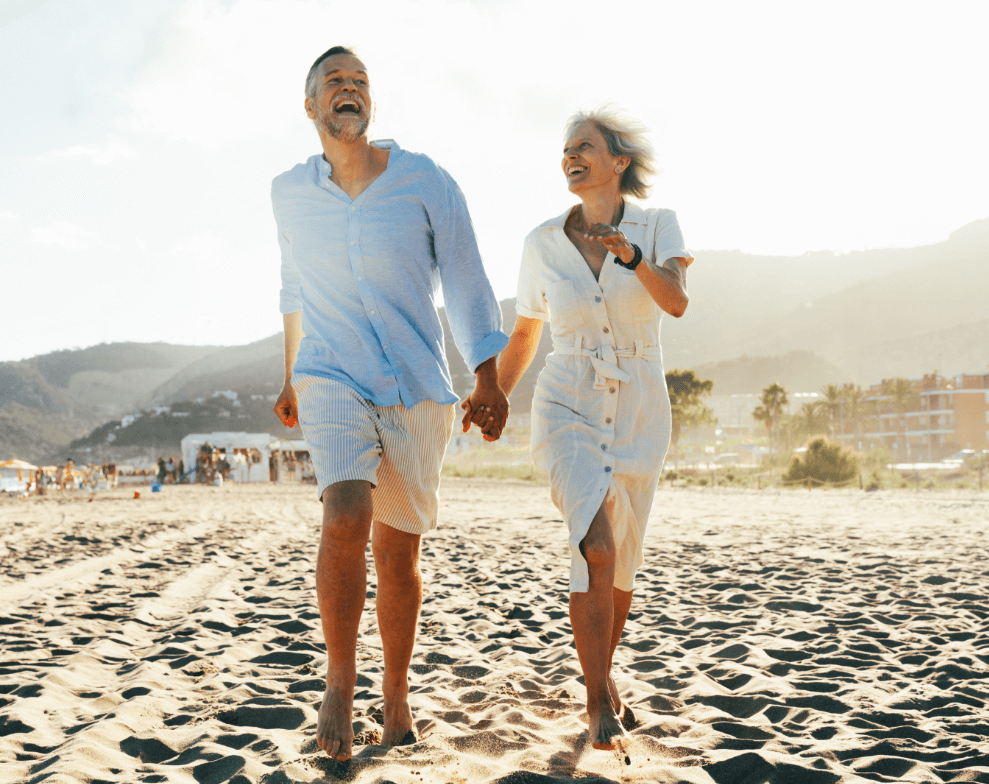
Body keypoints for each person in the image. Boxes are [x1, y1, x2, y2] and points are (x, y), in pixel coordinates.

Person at [270, 46, 509, 762]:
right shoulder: (287, 191)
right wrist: (290, 373)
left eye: (360, 81)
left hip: (415, 387)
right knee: (345, 515)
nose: (349, 89)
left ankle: (396, 693)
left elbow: (467, 276)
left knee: (398, 558)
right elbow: (293, 286)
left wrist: (487, 375)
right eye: (333, 82)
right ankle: (339, 680)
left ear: (369, 103)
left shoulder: (424, 181)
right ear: (309, 106)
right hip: (329, 374)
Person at [491, 105, 693, 751]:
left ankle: (603, 680)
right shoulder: (541, 242)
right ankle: (595, 700)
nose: (569, 156)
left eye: (583, 146)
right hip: (566, 397)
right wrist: (493, 393)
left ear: (618, 161)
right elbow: (526, 330)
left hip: (638, 404)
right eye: (564, 149)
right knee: (595, 545)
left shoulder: (658, 224)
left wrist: (632, 256)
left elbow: (677, 300)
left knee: (622, 559)